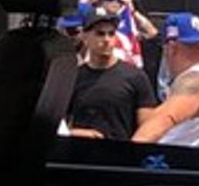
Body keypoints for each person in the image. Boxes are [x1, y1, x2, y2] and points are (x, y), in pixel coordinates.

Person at [131, 12, 199, 150]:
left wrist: (126, 160)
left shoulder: (195, 81)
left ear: (171, 48)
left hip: (191, 169)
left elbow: (159, 123)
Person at [67, 9, 156, 142]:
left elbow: (148, 128)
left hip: (119, 157)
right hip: (80, 157)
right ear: (85, 37)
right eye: (100, 34)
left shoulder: (136, 77)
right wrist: (75, 133)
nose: (106, 39)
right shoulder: (73, 77)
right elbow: (56, 122)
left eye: (111, 34)